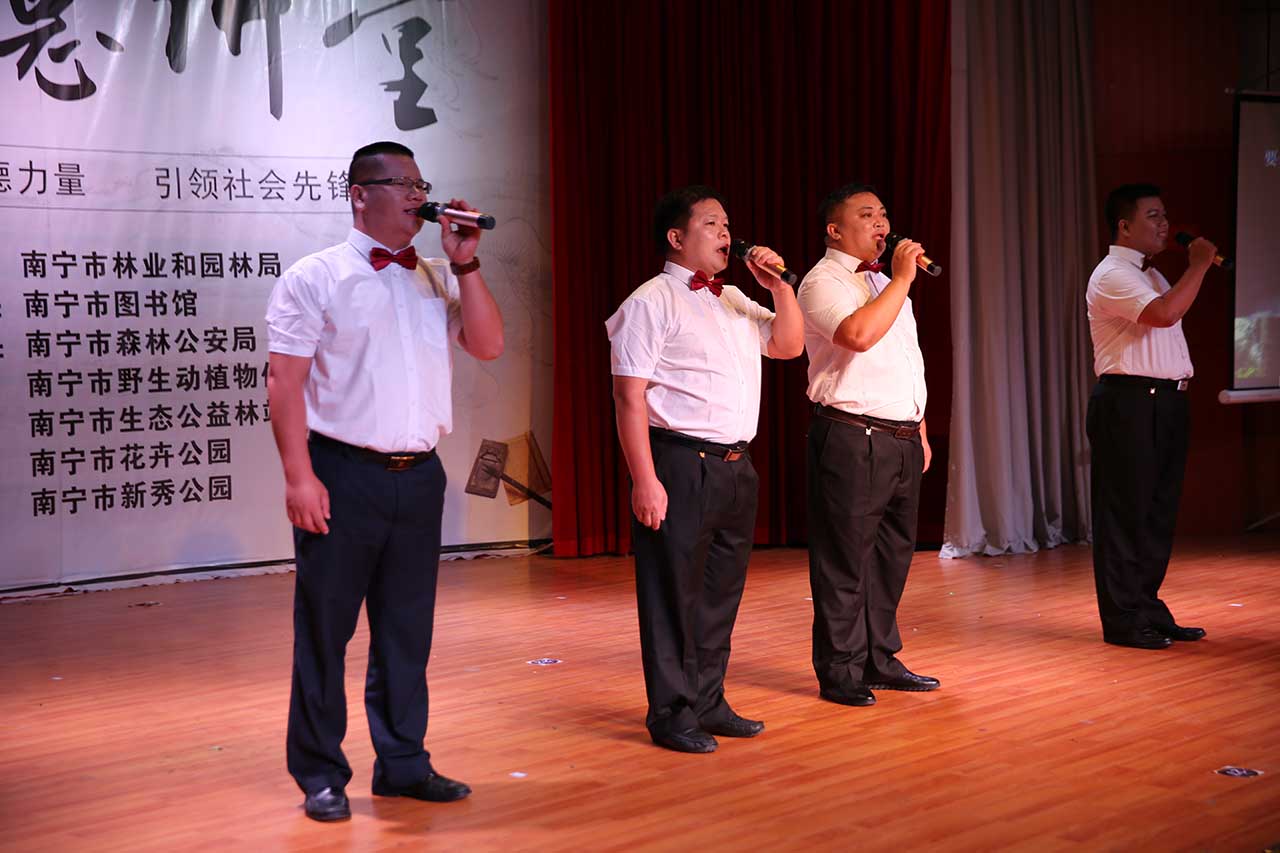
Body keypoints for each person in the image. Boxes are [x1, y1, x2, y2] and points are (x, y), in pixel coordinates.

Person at [265, 140, 503, 821]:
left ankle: (403, 763)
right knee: (326, 630)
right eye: (400, 183)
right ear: (359, 194)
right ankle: (320, 773)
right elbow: (284, 383)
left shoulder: (439, 275)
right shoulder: (315, 276)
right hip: (343, 472)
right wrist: (299, 477)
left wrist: (467, 262)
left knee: (406, 631)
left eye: (420, 184)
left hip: (419, 476)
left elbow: (489, 345)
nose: (416, 196)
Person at [605, 185, 804, 753]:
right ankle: (671, 713)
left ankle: (709, 700)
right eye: (712, 224)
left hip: (736, 464)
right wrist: (645, 479)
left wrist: (779, 287)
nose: (726, 234)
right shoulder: (650, 301)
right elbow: (628, 396)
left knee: (720, 594)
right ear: (676, 237)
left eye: (727, 224)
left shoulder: (734, 297)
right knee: (671, 593)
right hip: (678, 461)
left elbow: (789, 347)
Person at [797, 183, 938, 708]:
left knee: (891, 558)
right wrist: (901, 279)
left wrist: (920, 429)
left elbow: (905, 362)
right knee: (845, 560)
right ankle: (839, 668)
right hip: (853, 436)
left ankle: (880, 658)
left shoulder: (885, 283)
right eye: (866, 215)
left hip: (901, 438)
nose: (881, 223)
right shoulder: (821, 281)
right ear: (835, 230)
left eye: (883, 213)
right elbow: (856, 336)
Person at [1085, 183, 1215, 650]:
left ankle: (1147, 609)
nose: (1165, 224)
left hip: (1166, 402)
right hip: (1130, 402)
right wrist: (1198, 265)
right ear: (1124, 225)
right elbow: (1164, 314)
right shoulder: (1112, 274)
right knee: (1125, 513)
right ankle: (1122, 619)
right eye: (1153, 216)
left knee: (1158, 513)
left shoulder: (1152, 273)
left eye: (1164, 214)